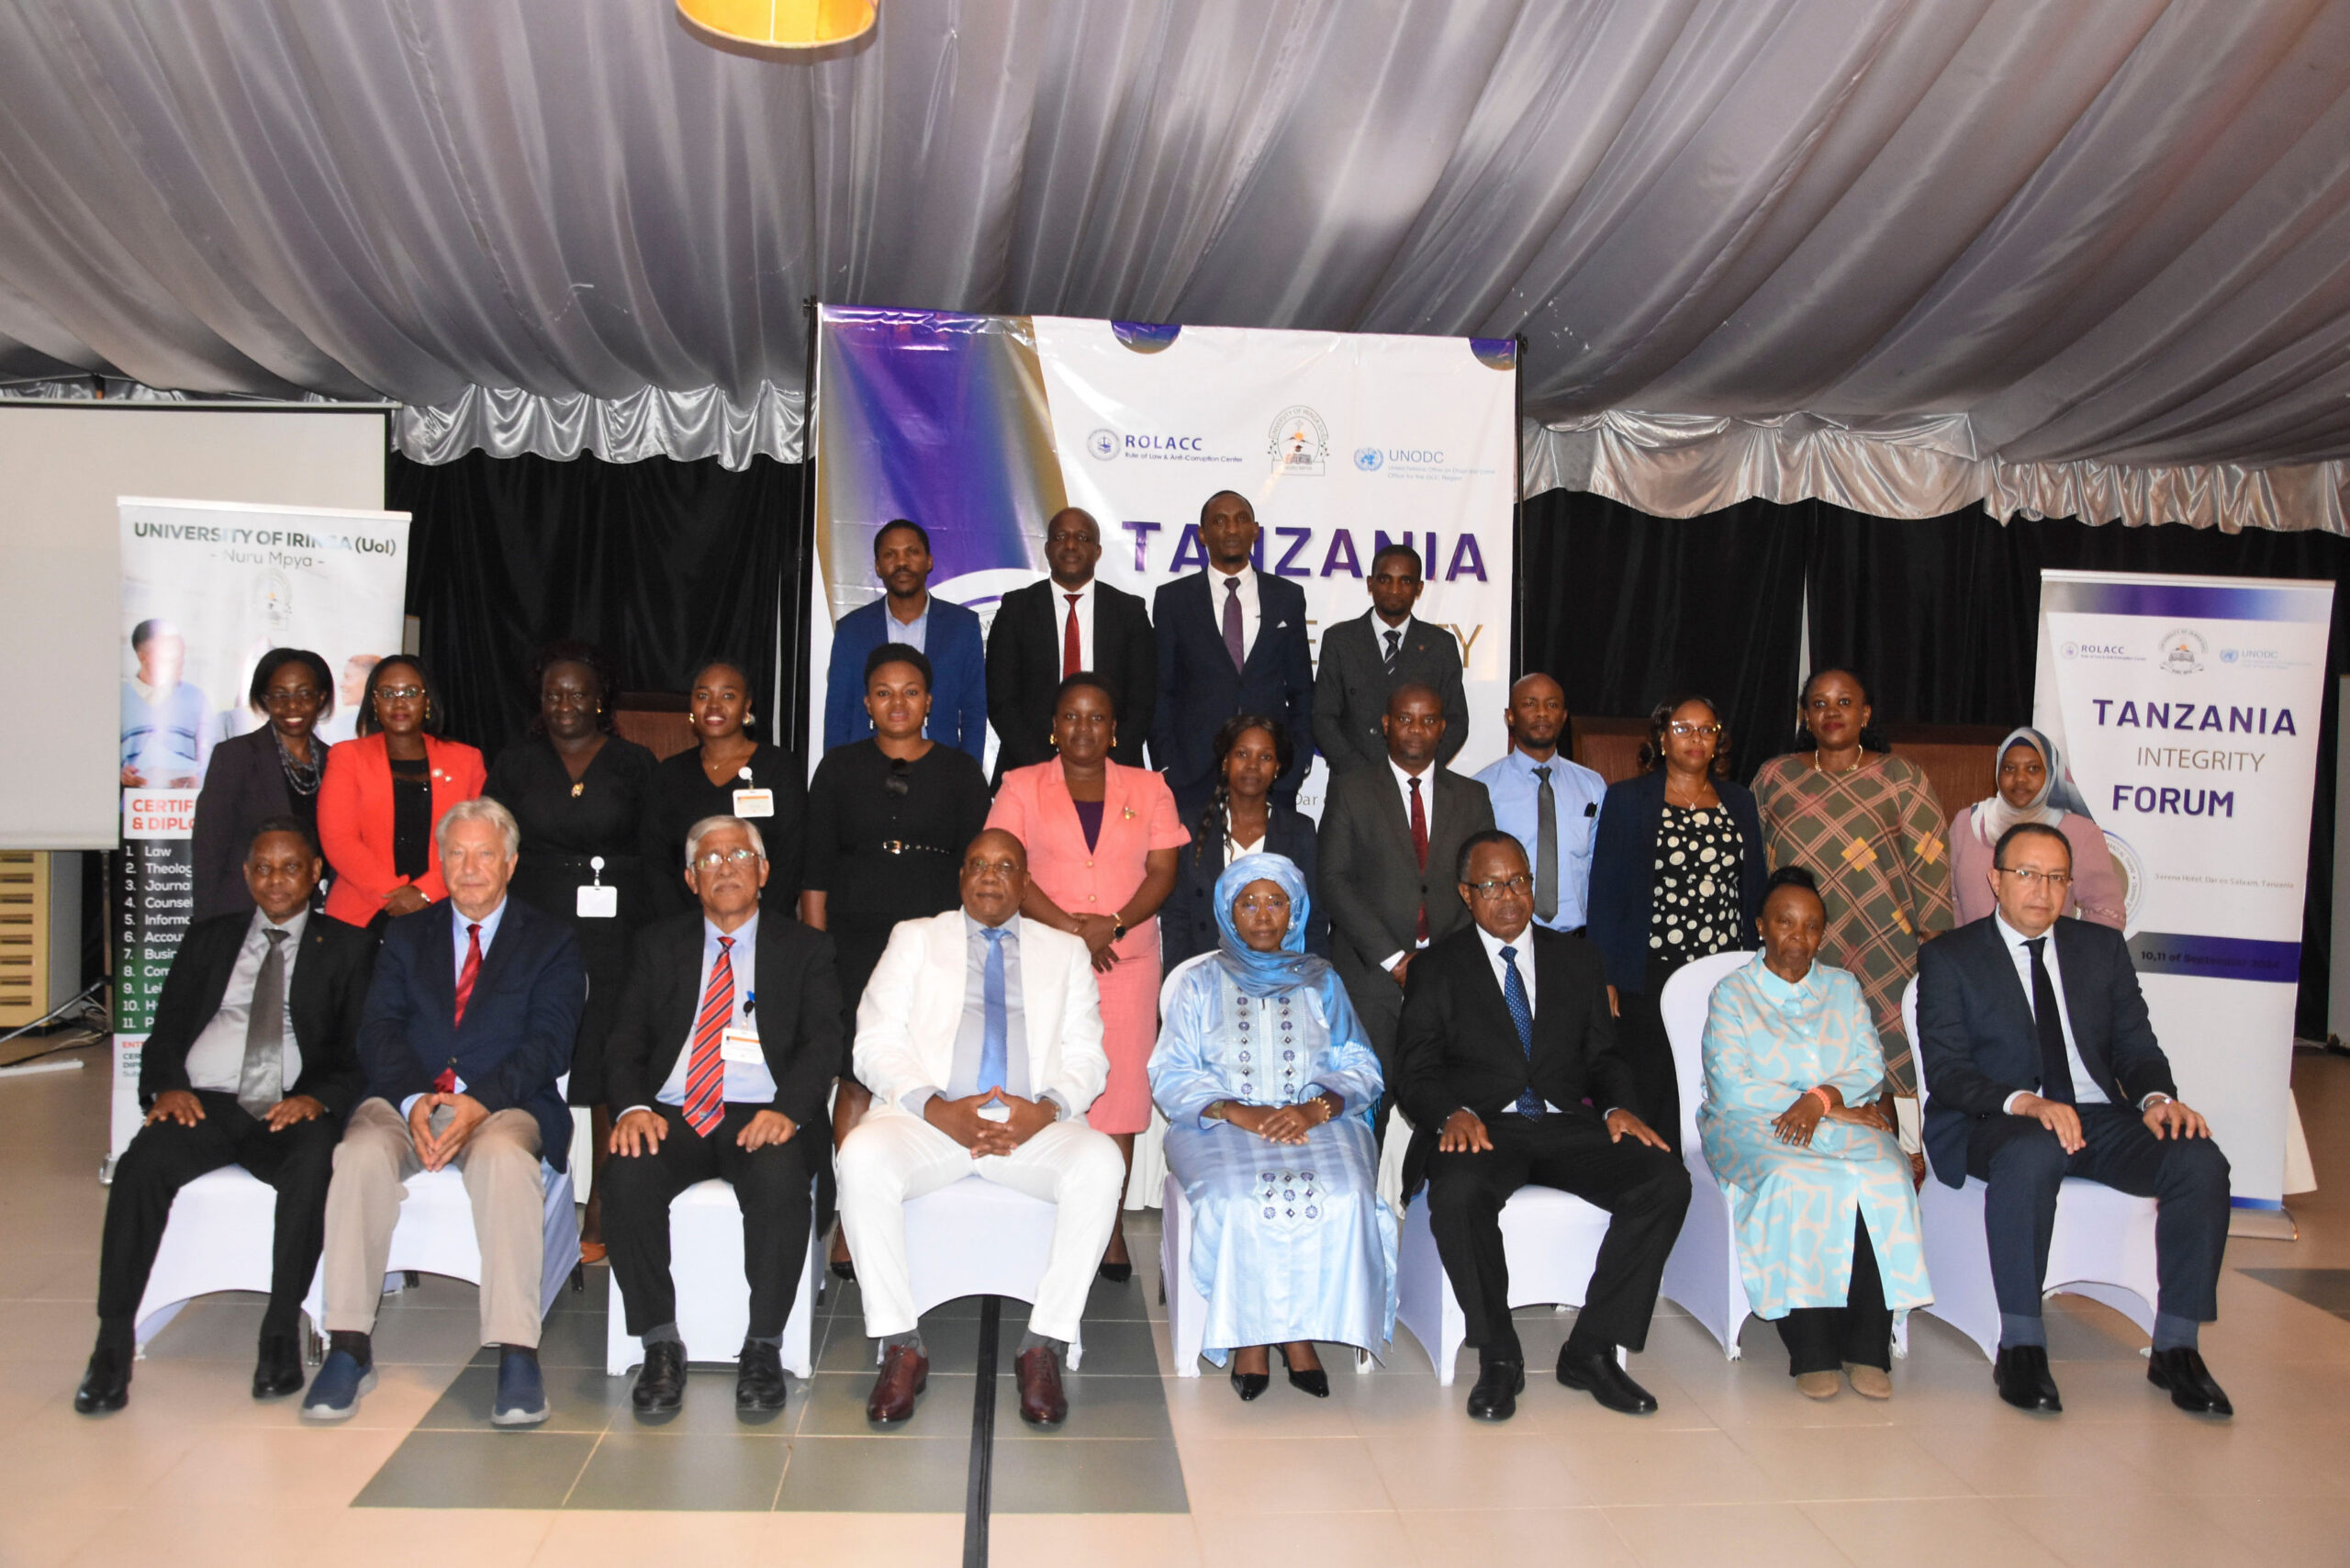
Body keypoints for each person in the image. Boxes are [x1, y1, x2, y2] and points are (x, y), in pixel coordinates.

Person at [1916, 820, 2233, 1417]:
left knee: (2198, 1158)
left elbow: (2136, 1049)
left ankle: (2176, 1346)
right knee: (2032, 1149)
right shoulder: (1950, 957)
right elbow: (1949, 1072)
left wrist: (2157, 1101)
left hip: (2096, 1116)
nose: (2043, 890)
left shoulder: (2099, 950)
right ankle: (2021, 1344)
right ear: (1996, 880)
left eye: (2057, 878)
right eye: (2027, 874)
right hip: (1997, 1117)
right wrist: (2026, 1102)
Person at [74, 819, 375, 1415]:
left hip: (289, 1103)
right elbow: (165, 1031)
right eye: (262, 868)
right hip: (203, 1102)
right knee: (139, 1167)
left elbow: (360, 1050)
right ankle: (111, 1342)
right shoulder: (209, 939)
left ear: (315, 873)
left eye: (290, 867)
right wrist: (167, 1086)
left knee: (314, 1162)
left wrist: (318, 1097)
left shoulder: (349, 946)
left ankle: (279, 1331)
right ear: (246, 874)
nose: (275, 880)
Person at [303, 798, 585, 1428]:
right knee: (357, 1155)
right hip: (407, 1097)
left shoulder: (551, 940)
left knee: (506, 1162)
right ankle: (347, 1344)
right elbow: (378, 1029)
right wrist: (411, 1099)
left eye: (485, 854)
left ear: (510, 863)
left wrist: (478, 1102)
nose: (470, 868)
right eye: (456, 854)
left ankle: (516, 1350)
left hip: (504, 1103)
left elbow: (551, 1042)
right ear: (441, 861)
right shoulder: (406, 935)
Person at [838, 829, 1125, 1428]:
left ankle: (1043, 1343)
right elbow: (874, 1042)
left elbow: (1088, 1057)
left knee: (1101, 1163)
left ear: (1025, 883)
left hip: (1029, 1127)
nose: (990, 876)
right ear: (961, 877)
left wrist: (1044, 1109)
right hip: (932, 1123)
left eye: (1005, 866)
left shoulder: (1065, 952)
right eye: (977, 865)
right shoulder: (915, 938)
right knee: (862, 1155)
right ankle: (900, 1342)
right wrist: (936, 1107)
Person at [1396, 832, 1687, 1420]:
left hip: (1563, 1122)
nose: (1509, 897)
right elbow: (1414, 1071)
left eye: (1520, 882)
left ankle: (1591, 1349)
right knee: (1457, 1191)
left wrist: (1617, 1107)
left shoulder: (1577, 959)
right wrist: (1450, 1113)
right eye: (1492, 886)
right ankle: (1499, 1355)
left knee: (1664, 1180)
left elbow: (1604, 1057)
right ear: (1465, 893)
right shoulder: (1438, 968)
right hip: (1481, 1126)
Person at [602, 815, 841, 1420]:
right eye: (709, 860)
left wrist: (788, 1112)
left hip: (763, 1112)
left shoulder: (805, 948)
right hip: (674, 1111)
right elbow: (624, 1039)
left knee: (781, 1179)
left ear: (763, 872)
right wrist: (632, 1107)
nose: (725, 867)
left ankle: (762, 1346)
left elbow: (823, 1044)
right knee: (627, 1173)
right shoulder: (657, 945)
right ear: (690, 879)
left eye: (739, 856)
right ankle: (659, 1343)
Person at [1151, 853, 1395, 1398]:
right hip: (1219, 1123)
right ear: (1227, 912)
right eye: (1248, 903)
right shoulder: (1199, 983)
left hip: (1318, 1120)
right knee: (1241, 1197)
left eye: (1276, 902)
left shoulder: (1321, 980)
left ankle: (1299, 1332)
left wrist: (1315, 1108)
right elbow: (1171, 1073)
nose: (1263, 915)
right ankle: (1251, 1337)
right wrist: (1238, 1111)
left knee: (1346, 1193)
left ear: (1295, 911)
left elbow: (1362, 1065)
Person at [1698, 867, 1932, 1400]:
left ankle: (1867, 1347)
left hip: (1838, 1114)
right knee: (1797, 1178)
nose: (1798, 937)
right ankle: (1813, 1349)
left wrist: (1823, 1101)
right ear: (1761, 925)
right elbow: (1731, 1086)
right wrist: (1823, 1108)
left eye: (1811, 926)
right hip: (1751, 1124)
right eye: (1785, 922)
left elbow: (1868, 1066)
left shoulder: (1842, 987)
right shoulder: (1733, 993)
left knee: (1885, 1172)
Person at [986, 674, 1187, 1279]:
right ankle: (1043, 1216)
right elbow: (1005, 866)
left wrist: (1113, 925)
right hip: (1045, 959)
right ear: (1053, 727)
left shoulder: (1149, 787)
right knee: (1044, 1084)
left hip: (1127, 962)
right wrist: (1075, 931)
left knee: (1119, 1097)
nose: (1083, 728)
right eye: (1071, 716)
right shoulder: (1020, 785)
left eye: (1096, 717)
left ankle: (1110, 1227)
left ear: (1114, 729)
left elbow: (1163, 872)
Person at [801, 645, 992, 1278]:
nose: (898, 703)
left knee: (932, 1070)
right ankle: (853, 1222)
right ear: (866, 702)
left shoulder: (961, 772)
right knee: (857, 1077)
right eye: (884, 692)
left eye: (911, 691)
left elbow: (979, 873)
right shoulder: (838, 768)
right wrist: (817, 957)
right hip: (851, 944)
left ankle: (927, 1210)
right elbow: (814, 873)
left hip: (936, 945)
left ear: (930, 701)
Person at [485, 639, 658, 1260]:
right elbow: (493, 843)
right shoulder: (515, 763)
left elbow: (657, 847)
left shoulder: (635, 763)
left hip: (617, 929)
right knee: (535, 1048)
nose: (565, 703)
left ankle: (606, 1200)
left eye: (578, 692)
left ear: (600, 698)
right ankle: (523, 1189)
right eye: (553, 693)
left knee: (611, 1055)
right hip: (534, 926)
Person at [1752, 667, 1953, 1096]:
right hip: (1796, 945)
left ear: (1865, 714)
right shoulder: (1774, 777)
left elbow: (1931, 863)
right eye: (1819, 704)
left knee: (1885, 1057)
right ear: (1805, 717)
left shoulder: (1901, 776)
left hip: (1885, 950)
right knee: (1798, 1053)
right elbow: (1752, 862)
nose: (1832, 712)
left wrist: (1936, 950)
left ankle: (1896, 1134)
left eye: (1844, 702)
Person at [1586, 694, 1768, 1147]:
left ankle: (1716, 1167)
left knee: (1718, 1074)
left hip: (1724, 968)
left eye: (1707, 730)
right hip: (1651, 969)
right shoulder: (1628, 799)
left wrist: (1759, 965)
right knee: (1657, 1080)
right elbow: (1605, 891)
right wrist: (1606, 975)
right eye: (1684, 728)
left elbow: (1754, 889)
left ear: (1718, 741)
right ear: (1663, 739)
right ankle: (1660, 1170)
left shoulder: (1739, 801)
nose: (1696, 738)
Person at [1318, 682, 1494, 1110]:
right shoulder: (1350, 789)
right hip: (1369, 977)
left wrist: (1437, 961)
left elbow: (1482, 884)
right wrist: (1395, 960)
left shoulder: (1473, 796)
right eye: (1405, 719)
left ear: (1442, 728)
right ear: (1385, 724)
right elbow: (1333, 880)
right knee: (1365, 1108)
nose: (1416, 729)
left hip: (1449, 976)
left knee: (1450, 1109)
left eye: (1428, 720)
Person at [1150, 490, 1315, 817]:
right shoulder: (1174, 600)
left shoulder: (1287, 597)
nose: (1231, 529)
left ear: (1255, 530)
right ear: (1202, 534)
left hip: (1270, 772)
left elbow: (1301, 690)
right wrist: (1168, 765)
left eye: (1241, 519)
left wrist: (1297, 763)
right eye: (1219, 521)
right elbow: (1161, 690)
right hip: (1192, 775)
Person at [316, 655, 487, 930]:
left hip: (443, 908)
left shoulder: (466, 760)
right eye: (388, 694)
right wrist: (393, 896)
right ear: (374, 703)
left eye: (410, 692)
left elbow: (478, 840)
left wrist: (424, 893)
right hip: (361, 913)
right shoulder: (347, 756)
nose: (399, 703)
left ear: (427, 700)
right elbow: (338, 839)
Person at [986, 507, 1156, 779]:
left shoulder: (1129, 612)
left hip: (1115, 772)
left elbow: (1142, 703)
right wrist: (1045, 768)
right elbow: (1001, 701)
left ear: (1098, 551)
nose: (1071, 545)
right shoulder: (1016, 609)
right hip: (1030, 772)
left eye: (1082, 537)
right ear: (1047, 548)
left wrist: (1104, 765)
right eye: (1061, 536)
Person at [1161, 715, 1327, 971]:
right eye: (1242, 754)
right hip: (1205, 973)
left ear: (1277, 768)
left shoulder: (1299, 831)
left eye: (1265, 757)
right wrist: (1182, 980)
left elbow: (1313, 918)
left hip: (1280, 977)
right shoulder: (1190, 826)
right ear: (1225, 762)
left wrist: (1313, 978)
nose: (1252, 765)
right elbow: (1176, 918)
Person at [642, 657, 803, 920]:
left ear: (746, 705)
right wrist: (685, 928)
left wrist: (761, 927)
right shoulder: (669, 773)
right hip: (687, 926)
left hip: (766, 923)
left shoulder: (779, 767)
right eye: (703, 695)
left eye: (728, 695)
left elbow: (791, 857)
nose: (714, 705)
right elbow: (656, 861)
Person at [822, 520, 987, 762]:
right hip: (868, 768)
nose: (901, 563)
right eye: (890, 554)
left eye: (912, 552)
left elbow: (974, 710)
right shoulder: (852, 630)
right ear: (878, 566)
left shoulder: (962, 626)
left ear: (929, 561)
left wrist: (967, 772)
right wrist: (838, 774)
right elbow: (838, 716)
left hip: (940, 767)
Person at [191, 648, 334, 922]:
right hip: (244, 914)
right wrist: (206, 927)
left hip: (317, 915)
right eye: (280, 695)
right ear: (265, 699)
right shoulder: (235, 757)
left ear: (321, 697)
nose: (292, 706)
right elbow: (209, 850)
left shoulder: (336, 761)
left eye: (304, 694)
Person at [1313, 543, 1469, 776]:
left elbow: (1456, 721)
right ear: (1370, 583)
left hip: (1416, 782)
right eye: (1385, 579)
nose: (1394, 589)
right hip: (1352, 782)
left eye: (1405, 581)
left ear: (1419, 588)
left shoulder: (1440, 645)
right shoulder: (1340, 640)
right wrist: (1356, 771)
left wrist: (1421, 768)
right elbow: (1323, 717)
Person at [1952, 726, 2125, 928]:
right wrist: (1962, 944)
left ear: (2051, 772)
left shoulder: (2079, 833)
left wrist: (2067, 946)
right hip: (1973, 947)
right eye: (2009, 768)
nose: (2020, 778)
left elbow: (2107, 913)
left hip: (2045, 948)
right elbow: (1950, 901)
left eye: (2033, 768)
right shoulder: (1967, 824)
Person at [1473, 673, 1606, 931]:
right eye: (1530, 704)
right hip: (1508, 934)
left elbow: (1600, 867)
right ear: (1510, 716)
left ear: (1564, 717)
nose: (1542, 713)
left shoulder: (1592, 786)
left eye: (1552, 704)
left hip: (1577, 937)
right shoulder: (1482, 788)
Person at [120, 617, 213, 789]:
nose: (180, 661)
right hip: (133, 802)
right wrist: (122, 775)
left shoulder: (196, 698)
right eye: (171, 654)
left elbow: (212, 756)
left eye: (181, 654)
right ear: (143, 657)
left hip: (183, 802)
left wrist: (197, 778)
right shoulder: (118, 699)